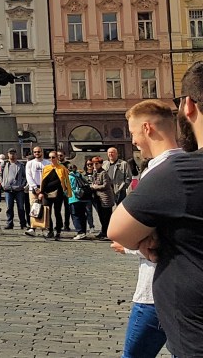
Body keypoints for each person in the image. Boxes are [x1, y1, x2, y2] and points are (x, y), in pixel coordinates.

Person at [110, 64, 203, 358]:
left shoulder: (172, 172)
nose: (133, 141)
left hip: (167, 294)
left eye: (133, 133)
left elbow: (118, 231)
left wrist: (139, 244)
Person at [110, 99, 182, 358]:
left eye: (133, 133)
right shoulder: (191, 164)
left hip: (155, 288)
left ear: (147, 128)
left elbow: (128, 233)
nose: (134, 141)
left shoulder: (157, 172)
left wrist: (128, 247)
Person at [40, 151, 72, 240]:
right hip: (47, 193)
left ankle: (58, 230)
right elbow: (43, 181)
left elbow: (66, 181)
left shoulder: (62, 168)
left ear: (57, 158)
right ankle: (50, 230)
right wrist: (41, 192)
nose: (51, 159)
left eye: (53, 157)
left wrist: (68, 192)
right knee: (47, 212)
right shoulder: (46, 168)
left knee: (57, 212)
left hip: (58, 193)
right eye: (50, 157)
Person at [0, 149, 28, 231]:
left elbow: (25, 176)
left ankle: (23, 223)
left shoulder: (21, 165)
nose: (12, 155)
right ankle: (9, 223)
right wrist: (2, 183)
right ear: (8, 154)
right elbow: (0, 174)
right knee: (9, 207)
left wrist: (22, 184)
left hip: (19, 189)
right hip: (8, 189)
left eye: (13, 153)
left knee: (21, 207)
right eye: (10, 153)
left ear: (16, 154)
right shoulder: (5, 164)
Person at [88, 156, 115, 239]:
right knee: (101, 216)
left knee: (106, 216)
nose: (94, 165)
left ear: (101, 164)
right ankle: (103, 232)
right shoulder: (95, 172)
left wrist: (95, 187)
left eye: (96, 163)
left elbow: (106, 185)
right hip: (98, 197)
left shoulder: (103, 173)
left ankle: (107, 233)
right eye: (93, 164)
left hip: (105, 198)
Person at [24, 147, 49, 238]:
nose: (37, 153)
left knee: (45, 208)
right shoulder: (30, 163)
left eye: (38, 152)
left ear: (42, 152)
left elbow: (48, 177)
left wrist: (42, 189)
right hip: (33, 189)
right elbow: (28, 176)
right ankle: (32, 228)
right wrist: (35, 187)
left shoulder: (47, 163)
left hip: (44, 188)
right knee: (34, 208)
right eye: (35, 152)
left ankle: (44, 228)